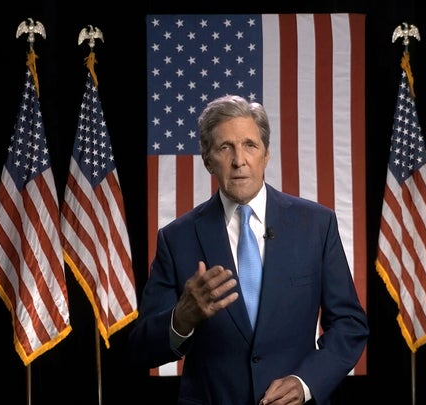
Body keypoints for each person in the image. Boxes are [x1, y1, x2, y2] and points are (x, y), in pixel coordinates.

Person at [130, 94, 369, 405]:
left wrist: (306, 382)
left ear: (266, 155)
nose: (239, 160)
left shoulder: (317, 225)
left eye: (249, 145)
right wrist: (182, 318)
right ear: (206, 158)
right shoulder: (177, 239)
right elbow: (141, 348)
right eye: (225, 147)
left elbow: (350, 325)